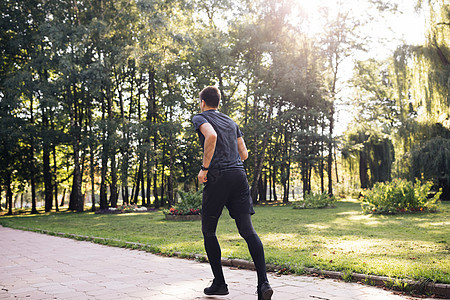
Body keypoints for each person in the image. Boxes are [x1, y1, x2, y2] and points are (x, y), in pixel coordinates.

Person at [192, 86, 273, 300]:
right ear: (218, 102)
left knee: (209, 231)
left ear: (202, 102)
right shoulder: (231, 121)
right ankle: (263, 284)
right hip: (238, 175)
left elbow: (210, 136)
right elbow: (244, 154)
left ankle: (219, 283)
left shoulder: (199, 118)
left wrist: (205, 168)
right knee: (247, 230)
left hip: (218, 176)